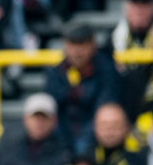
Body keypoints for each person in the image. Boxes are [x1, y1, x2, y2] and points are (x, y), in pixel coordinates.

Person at [44, 24, 121, 155]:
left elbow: (104, 105)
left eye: (81, 45)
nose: (77, 52)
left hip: (94, 136)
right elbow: (52, 106)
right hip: (63, 134)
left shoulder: (106, 70)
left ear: (92, 45)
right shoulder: (57, 71)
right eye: (72, 45)